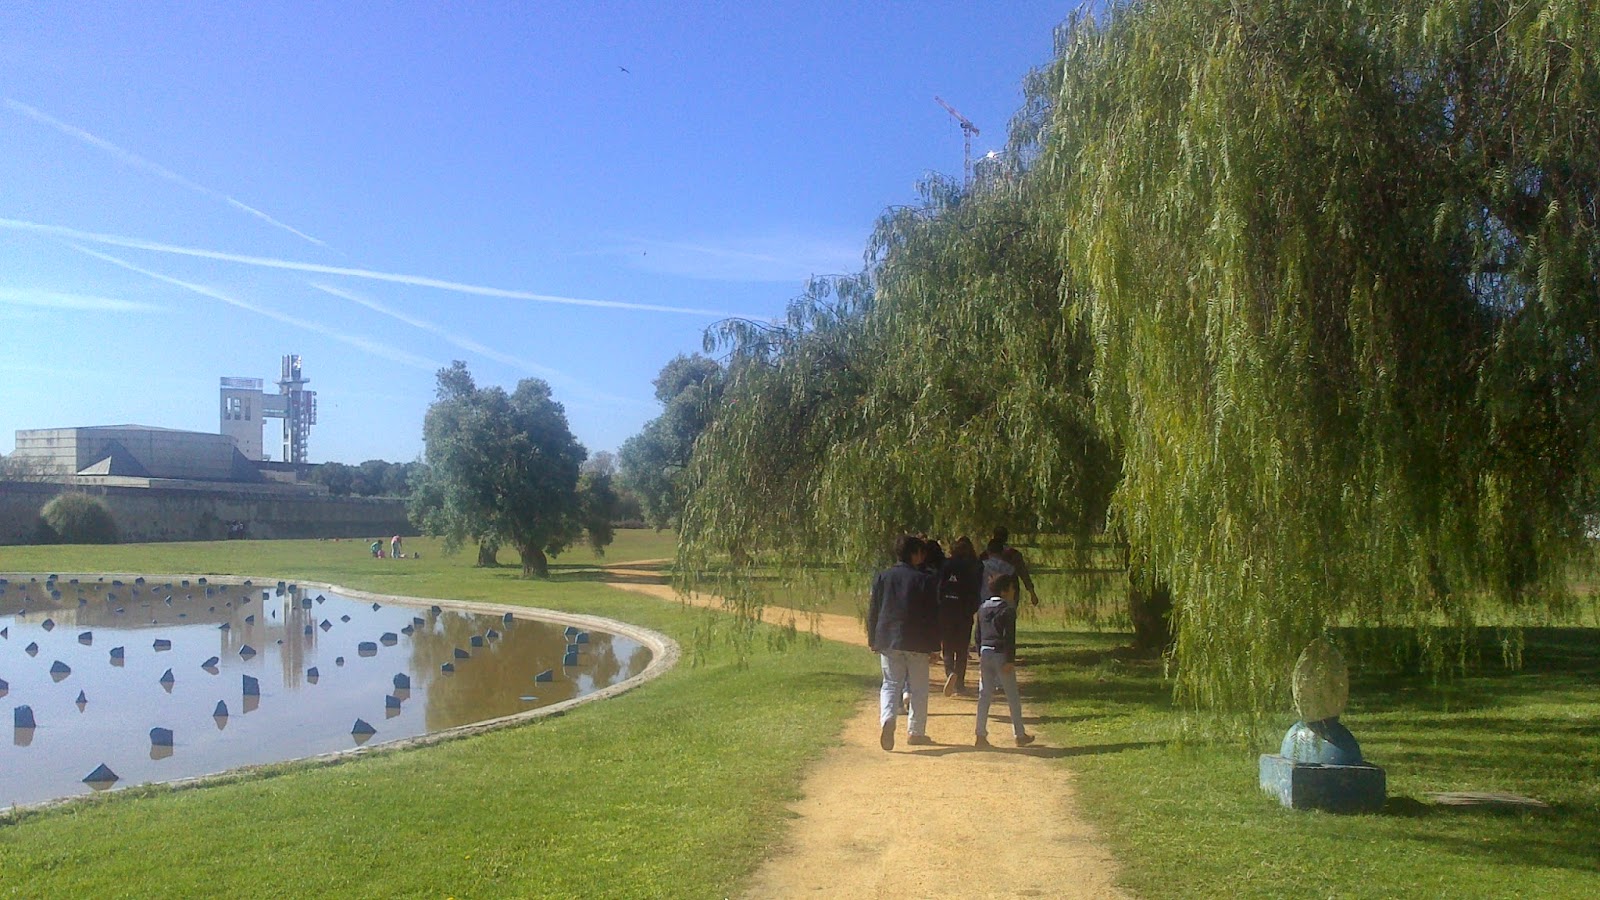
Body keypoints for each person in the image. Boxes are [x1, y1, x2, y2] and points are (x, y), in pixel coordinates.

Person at [867, 534, 941, 751]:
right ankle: (915, 731)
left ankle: (888, 718)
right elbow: (932, 614)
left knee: (890, 683)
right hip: (918, 641)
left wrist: (873, 638)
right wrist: (935, 645)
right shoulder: (926, 579)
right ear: (915, 554)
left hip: (889, 638)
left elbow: (874, 609)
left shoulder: (883, 576)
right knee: (919, 688)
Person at [975, 572, 1035, 748]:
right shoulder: (1007, 610)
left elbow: (977, 634)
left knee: (984, 695)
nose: (1014, 591)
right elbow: (1009, 637)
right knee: (1012, 696)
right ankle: (1019, 734)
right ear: (1004, 591)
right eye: (1011, 588)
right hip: (1001, 653)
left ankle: (980, 734)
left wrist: (979, 652)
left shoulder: (982, 608)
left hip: (985, 651)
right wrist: (1010, 659)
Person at [937, 536, 983, 695]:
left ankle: (950, 672)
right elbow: (976, 592)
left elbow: (939, 588)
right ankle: (960, 684)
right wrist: (971, 610)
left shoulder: (945, 566)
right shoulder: (971, 568)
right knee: (962, 649)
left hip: (946, 612)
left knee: (947, 647)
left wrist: (940, 606)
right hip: (963, 614)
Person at [983, 527, 1040, 606]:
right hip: (1010, 591)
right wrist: (1032, 592)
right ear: (1007, 538)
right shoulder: (1014, 554)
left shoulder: (986, 554)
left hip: (988, 591)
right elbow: (1023, 574)